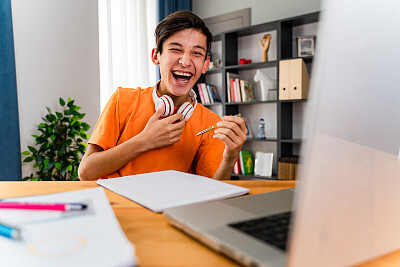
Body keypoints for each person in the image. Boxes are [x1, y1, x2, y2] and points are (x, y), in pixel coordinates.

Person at [78, 10, 247, 181]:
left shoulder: (210, 123)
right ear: (155, 56)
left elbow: (212, 194)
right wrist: (145, 140)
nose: (185, 61)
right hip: (120, 206)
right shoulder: (122, 99)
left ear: (205, 65)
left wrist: (230, 158)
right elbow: (86, 172)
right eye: (175, 49)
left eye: (196, 53)